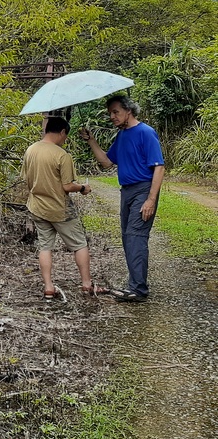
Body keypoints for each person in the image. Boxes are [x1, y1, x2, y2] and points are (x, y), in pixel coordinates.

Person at [80, 95, 165, 303]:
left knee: (136, 236)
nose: (112, 116)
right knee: (128, 237)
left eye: (116, 112)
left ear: (129, 110)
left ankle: (138, 289)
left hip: (143, 190)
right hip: (126, 191)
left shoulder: (146, 132)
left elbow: (159, 167)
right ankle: (134, 285)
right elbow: (107, 162)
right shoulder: (122, 136)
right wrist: (91, 140)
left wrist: (151, 200)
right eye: (110, 113)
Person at [21, 116, 94, 300]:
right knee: (79, 244)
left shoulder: (30, 150)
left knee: (45, 246)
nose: (65, 139)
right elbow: (67, 186)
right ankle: (86, 284)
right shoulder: (62, 155)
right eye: (65, 135)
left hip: (37, 207)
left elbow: (26, 179)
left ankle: (48, 287)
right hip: (60, 209)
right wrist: (83, 188)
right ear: (62, 132)